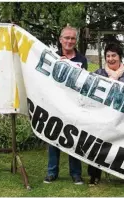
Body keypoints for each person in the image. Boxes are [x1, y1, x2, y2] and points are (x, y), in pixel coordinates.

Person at [43, 25, 88, 185]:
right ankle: (51, 172)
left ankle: (76, 174)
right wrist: (58, 65)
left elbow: (83, 83)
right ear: (61, 40)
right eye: (66, 38)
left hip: (73, 105)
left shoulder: (82, 59)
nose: (69, 41)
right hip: (55, 105)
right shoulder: (53, 57)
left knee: (74, 139)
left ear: (76, 40)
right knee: (53, 137)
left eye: (73, 38)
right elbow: (46, 81)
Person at [88, 43, 124, 186]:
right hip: (101, 117)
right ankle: (94, 176)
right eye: (108, 56)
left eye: (114, 55)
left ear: (120, 57)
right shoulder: (98, 74)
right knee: (97, 146)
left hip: (121, 119)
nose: (110, 59)